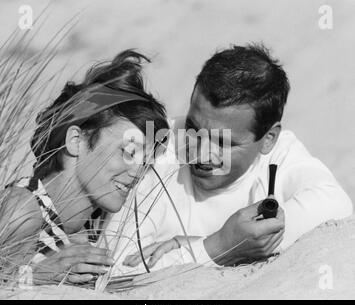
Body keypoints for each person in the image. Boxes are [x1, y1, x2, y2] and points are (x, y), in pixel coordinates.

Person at [103, 44, 353, 274]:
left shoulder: (281, 155)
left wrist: (202, 246)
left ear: (268, 139)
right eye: (193, 129)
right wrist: (220, 247)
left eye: (223, 142)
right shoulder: (158, 147)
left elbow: (336, 207)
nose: (200, 154)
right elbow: (116, 270)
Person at [0, 50, 169, 284]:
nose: (138, 172)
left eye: (146, 161)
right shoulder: (22, 210)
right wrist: (36, 275)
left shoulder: (100, 221)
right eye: (129, 152)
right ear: (76, 140)